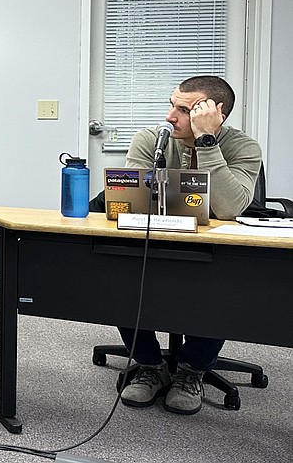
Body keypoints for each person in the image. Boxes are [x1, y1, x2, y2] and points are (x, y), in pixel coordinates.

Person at [115, 75, 262, 415]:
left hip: (214, 252)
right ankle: (149, 364)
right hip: (157, 243)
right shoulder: (152, 140)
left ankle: (192, 371)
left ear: (215, 112)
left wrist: (207, 141)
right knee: (119, 273)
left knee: (221, 287)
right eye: (172, 105)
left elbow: (228, 207)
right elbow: (130, 198)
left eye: (183, 110)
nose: (170, 116)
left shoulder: (244, 148)